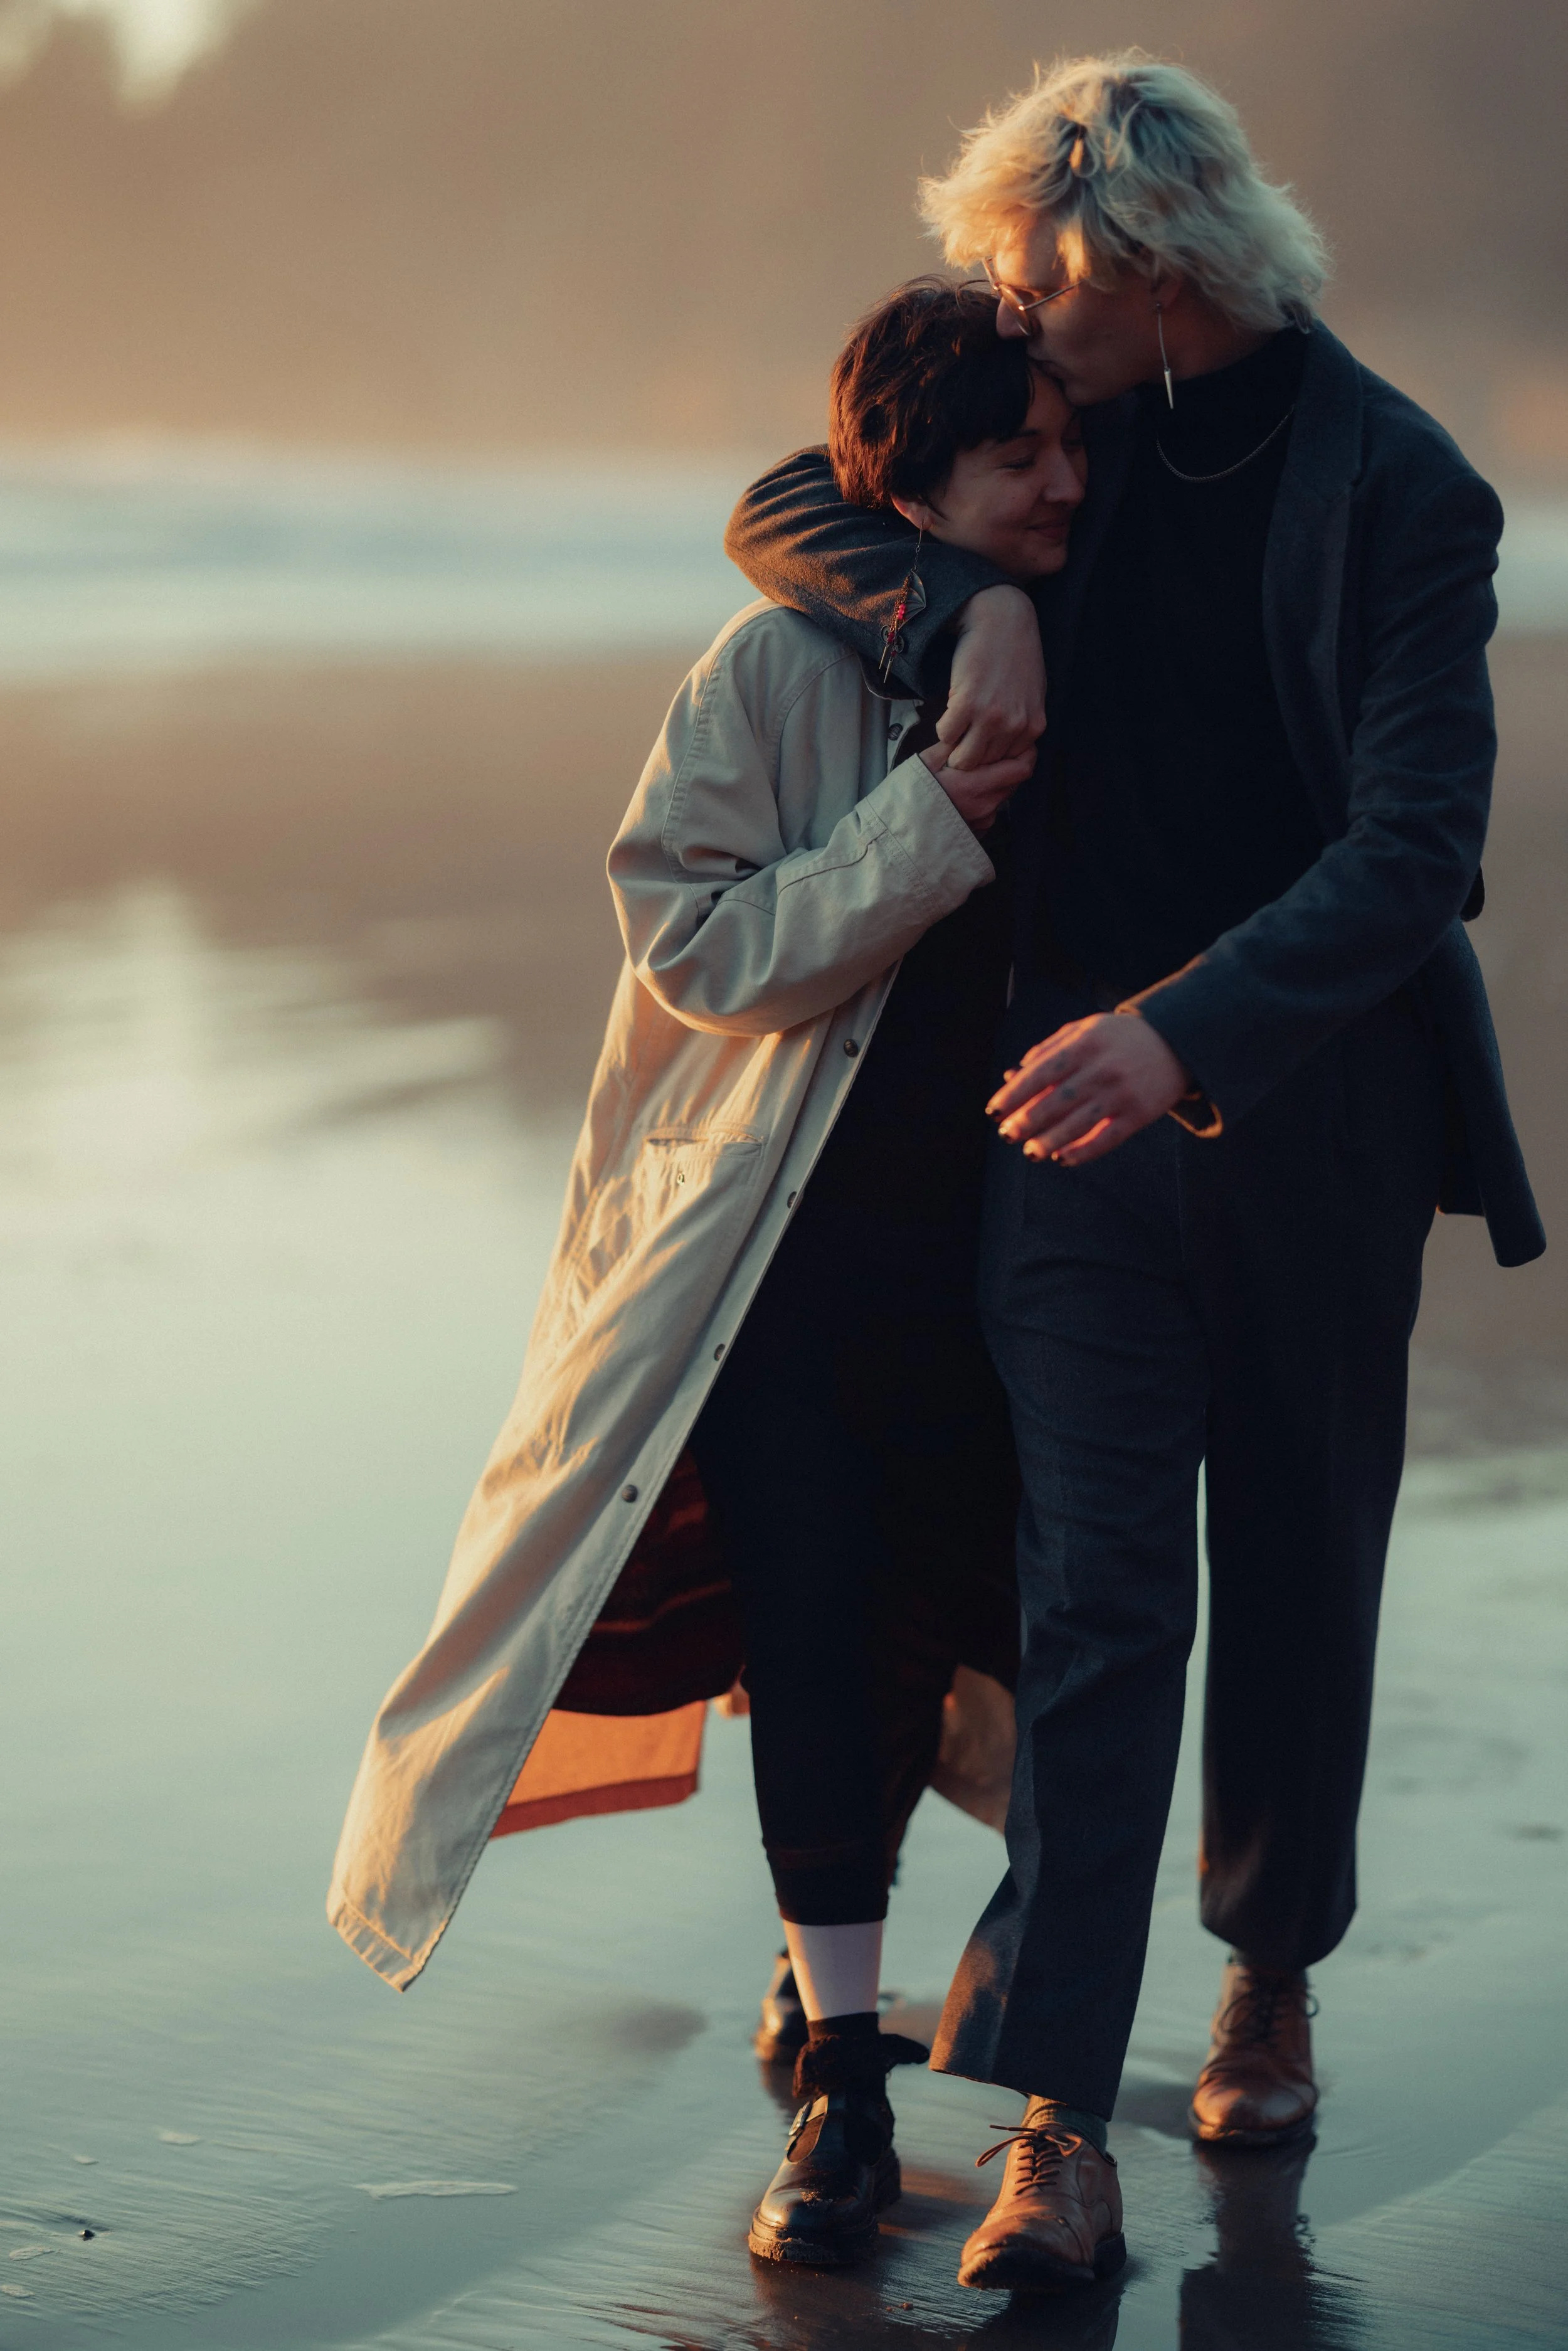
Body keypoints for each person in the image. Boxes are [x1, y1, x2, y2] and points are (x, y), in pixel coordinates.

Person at [726, 51, 1544, 2295]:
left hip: (1311, 1117)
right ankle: (1060, 2125)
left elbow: (1417, 853)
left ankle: (1267, 1961)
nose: (998, 294)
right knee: (1101, 1603)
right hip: (1052, 1136)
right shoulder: (1040, 427)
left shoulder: (1403, 487)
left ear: (1154, 270)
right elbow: (795, 495)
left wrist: (1182, 1025)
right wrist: (948, 600)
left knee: (1296, 1556)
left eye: (1033, 262)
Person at [327, 281, 1088, 2272]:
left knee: (961, 1635)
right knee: (823, 1635)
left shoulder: (1095, 638)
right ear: (913, 480)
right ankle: (845, 2075)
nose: (1065, 481)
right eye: (1024, 452)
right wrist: (927, 825)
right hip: (782, 1273)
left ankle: (875, 1992)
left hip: (1011, 1270)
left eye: (1068, 442)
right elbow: (697, 948)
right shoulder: (766, 672)